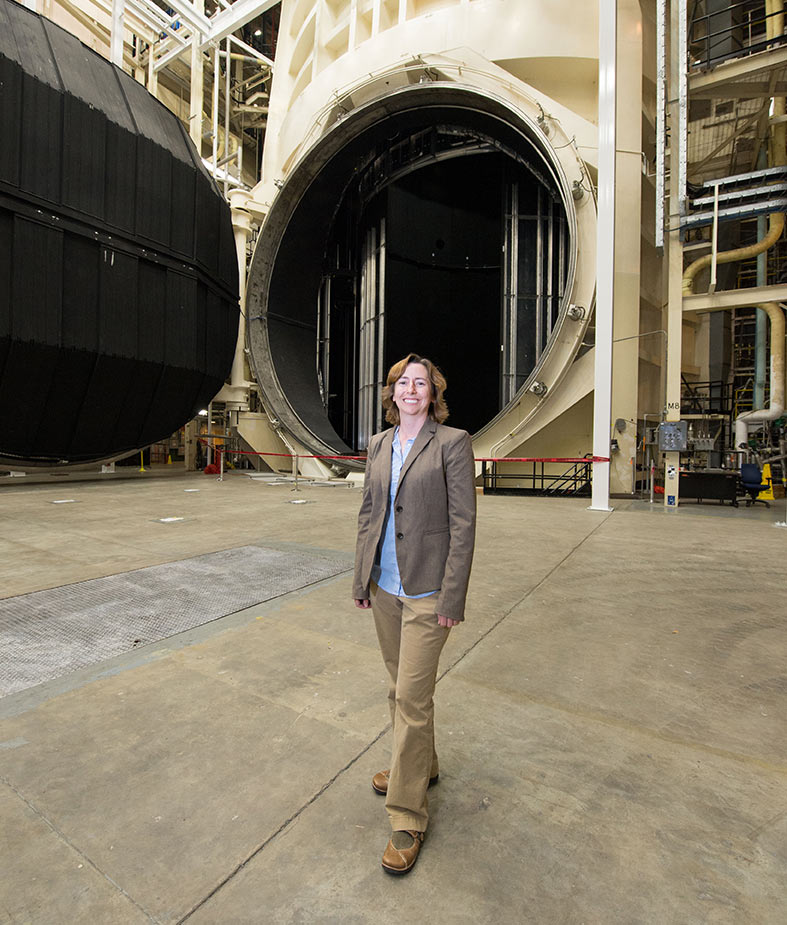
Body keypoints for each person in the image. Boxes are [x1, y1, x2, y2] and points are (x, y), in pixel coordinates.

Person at [353, 352, 477, 875]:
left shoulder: (452, 443)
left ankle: (406, 815)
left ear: (433, 394)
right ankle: (420, 765)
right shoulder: (379, 444)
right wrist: (361, 578)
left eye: (420, 383)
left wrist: (452, 597)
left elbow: (463, 525)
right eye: (402, 382)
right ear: (391, 392)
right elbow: (369, 513)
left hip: (427, 590)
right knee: (398, 686)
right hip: (384, 587)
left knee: (411, 694)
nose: (410, 390)